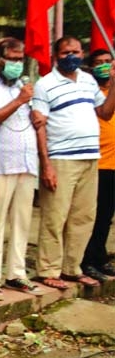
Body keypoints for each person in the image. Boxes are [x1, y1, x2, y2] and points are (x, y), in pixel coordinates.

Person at [33, 36, 115, 289]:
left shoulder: (89, 80)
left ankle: (72, 267)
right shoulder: (44, 84)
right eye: (66, 52)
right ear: (56, 56)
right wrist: (46, 164)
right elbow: (40, 126)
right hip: (61, 158)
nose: (72, 56)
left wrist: (113, 84)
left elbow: (104, 113)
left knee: (83, 216)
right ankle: (48, 269)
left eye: (76, 52)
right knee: (55, 217)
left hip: (90, 157)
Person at [0, 38, 43, 301]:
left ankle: (16, 272)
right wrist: (19, 101)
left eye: (19, 58)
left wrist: (33, 109)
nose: (16, 63)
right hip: (0, 163)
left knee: (22, 221)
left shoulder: (24, 87)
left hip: (26, 162)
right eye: (11, 58)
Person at [82, 49, 115, 282]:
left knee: (106, 217)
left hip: (114, 163)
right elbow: (104, 114)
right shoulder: (89, 93)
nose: (104, 66)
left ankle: (100, 257)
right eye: (99, 63)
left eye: (108, 62)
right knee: (93, 217)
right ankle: (87, 260)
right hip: (97, 162)